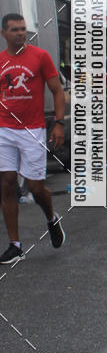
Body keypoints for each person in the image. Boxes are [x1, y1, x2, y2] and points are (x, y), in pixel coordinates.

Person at [0, 13, 66, 263]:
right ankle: (15, 245)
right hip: (4, 129)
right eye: (14, 30)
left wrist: (58, 123)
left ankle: (51, 217)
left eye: (22, 29)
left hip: (32, 130)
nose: (20, 33)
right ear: (4, 34)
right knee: (6, 183)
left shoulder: (40, 57)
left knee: (36, 188)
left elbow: (57, 91)